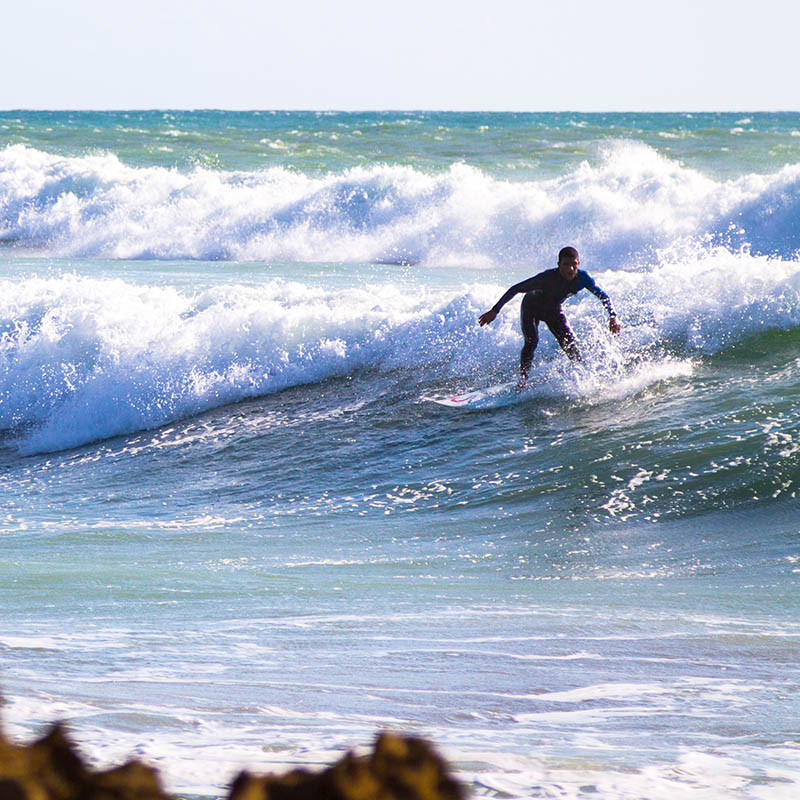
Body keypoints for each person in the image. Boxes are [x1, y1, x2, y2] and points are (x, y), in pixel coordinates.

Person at [478, 246, 621, 386]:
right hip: (531, 308)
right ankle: (523, 380)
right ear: (559, 265)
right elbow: (516, 288)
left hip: (553, 310)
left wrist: (613, 316)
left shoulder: (583, 278)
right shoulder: (546, 278)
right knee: (531, 341)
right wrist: (495, 310)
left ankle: (584, 378)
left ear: (578, 264)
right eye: (566, 265)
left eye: (574, 265)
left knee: (570, 344)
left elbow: (603, 296)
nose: (571, 269)